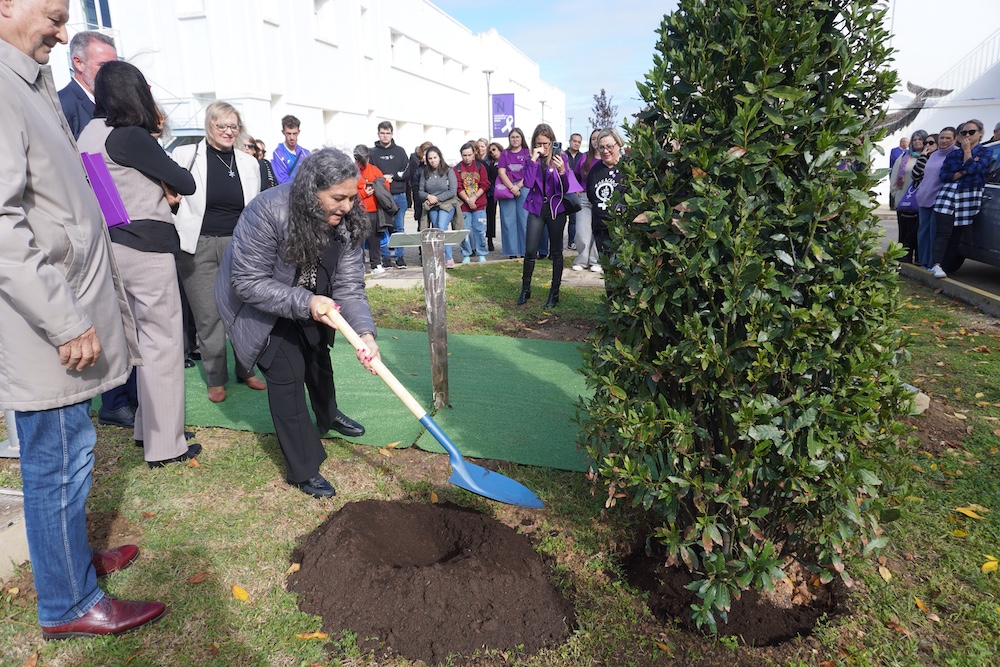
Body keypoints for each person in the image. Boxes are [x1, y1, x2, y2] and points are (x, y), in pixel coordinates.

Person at [0, 0, 165, 638]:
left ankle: (67, 563)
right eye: (52, 13)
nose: (63, 30)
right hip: (45, 320)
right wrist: (67, 321)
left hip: (61, 306)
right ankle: (68, 602)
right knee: (57, 458)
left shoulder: (29, 78)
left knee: (73, 449)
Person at [215, 148, 380, 498]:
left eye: (352, 197)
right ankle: (303, 467)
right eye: (338, 198)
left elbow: (350, 287)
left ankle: (328, 413)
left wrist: (365, 333)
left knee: (318, 355)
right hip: (260, 306)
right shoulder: (267, 210)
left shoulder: (348, 220)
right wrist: (306, 302)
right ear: (311, 190)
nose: (347, 206)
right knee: (287, 375)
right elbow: (246, 282)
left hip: (313, 298)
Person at [77, 61, 200, 467]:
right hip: (147, 249)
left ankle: (148, 429)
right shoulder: (130, 136)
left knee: (143, 345)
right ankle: (167, 445)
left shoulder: (88, 134)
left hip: (111, 248)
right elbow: (185, 182)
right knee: (163, 345)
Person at [170, 102, 267, 404]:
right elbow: (170, 196)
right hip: (197, 246)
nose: (228, 131)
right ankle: (215, 377)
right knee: (208, 315)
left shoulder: (248, 162)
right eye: (221, 126)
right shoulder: (185, 156)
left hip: (239, 245)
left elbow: (257, 206)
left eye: (233, 126)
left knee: (243, 311)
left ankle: (245, 368)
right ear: (208, 126)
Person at [517, 123, 583, 307]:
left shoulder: (560, 158)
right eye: (539, 143)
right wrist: (533, 159)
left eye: (546, 144)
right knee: (530, 251)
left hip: (556, 209)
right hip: (536, 208)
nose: (543, 148)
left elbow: (566, 188)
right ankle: (525, 289)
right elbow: (529, 183)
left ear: (552, 142)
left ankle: (554, 292)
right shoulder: (532, 159)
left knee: (556, 252)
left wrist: (562, 171)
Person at [930, 120, 991, 278]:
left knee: (957, 234)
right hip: (948, 194)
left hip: (969, 196)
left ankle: (946, 267)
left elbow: (976, 169)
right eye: (964, 133)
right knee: (943, 231)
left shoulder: (985, 152)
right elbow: (944, 175)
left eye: (972, 132)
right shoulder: (953, 154)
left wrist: (967, 153)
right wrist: (964, 171)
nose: (967, 136)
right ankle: (936, 265)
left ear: (981, 133)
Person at [58, 30, 117, 139]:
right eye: (103, 65)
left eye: (115, 66)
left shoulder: (115, 103)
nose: (112, 72)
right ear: (78, 63)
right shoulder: (61, 107)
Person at [915, 127, 957, 269]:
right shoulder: (933, 154)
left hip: (940, 199)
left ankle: (932, 263)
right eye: (942, 138)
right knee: (922, 233)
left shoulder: (956, 153)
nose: (944, 141)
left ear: (954, 139)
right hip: (924, 197)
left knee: (934, 233)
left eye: (948, 138)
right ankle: (922, 261)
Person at [371, 121, 410, 268]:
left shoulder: (400, 151)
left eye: (387, 133)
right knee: (383, 228)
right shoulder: (373, 153)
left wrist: (394, 176)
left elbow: (407, 172)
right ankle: (386, 258)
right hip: (381, 196)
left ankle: (400, 257)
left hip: (399, 194)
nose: (385, 136)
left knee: (399, 228)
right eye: (382, 133)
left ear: (392, 134)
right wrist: (382, 178)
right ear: (378, 134)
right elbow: (370, 172)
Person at [587, 129, 627, 266]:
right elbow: (591, 196)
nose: (605, 151)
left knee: (622, 269)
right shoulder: (595, 171)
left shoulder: (628, 167)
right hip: (601, 229)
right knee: (608, 271)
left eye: (609, 146)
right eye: (601, 147)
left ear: (619, 144)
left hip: (623, 230)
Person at [888, 130, 927, 263]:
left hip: (921, 201)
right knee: (904, 232)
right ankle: (904, 258)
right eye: (915, 139)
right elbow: (894, 177)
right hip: (904, 201)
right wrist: (895, 195)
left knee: (916, 232)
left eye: (920, 139)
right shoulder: (905, 157)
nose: (917, 142)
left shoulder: (930, 156)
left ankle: (917, 258)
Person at [418, 145, 460, 268]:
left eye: (435, 157)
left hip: (447, 204)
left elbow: (452, 191)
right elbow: (420, 191)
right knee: (436, 229)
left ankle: (449, 258)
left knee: (442, 226)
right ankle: (439, 257)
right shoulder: (425, 172)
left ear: (440, 157)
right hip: (432, 205)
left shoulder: (449, 171)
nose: (432, 160)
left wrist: (436, 198)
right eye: (430, 158)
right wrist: (428, 196)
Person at [572, 129, 603, 272]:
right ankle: (582, 260)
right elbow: (575, 175)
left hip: (601, 198)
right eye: (593, 139)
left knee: (599, 231)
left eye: (598, 138)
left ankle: (596, 261)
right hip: (584, 198)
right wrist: (576, 188)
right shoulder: (584, 158)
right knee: (582, 231)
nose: (595, 141)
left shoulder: (606, 159)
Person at [497, 128, 530, 258]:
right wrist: (512, 187)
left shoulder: (528, 153)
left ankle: (524, 250)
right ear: (509, 139)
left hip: (524, 187)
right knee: (508, 220)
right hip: (507, 187)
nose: (515, 139)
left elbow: (530, 172)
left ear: (522, 138)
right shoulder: (505, 154)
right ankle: (511, 251)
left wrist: (519, 186)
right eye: (512, 137)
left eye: (517, 137)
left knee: (524, 219)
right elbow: (501, 172)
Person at [455, 142, 491, 263]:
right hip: (464, 206)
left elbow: (485, 184)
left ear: (474, 154)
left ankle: (481, 252)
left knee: (480, 229)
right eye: (464, 155)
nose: (467, 158)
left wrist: (474, 198)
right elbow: (458, 187)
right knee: (465, 230)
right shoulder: (457, 169)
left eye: (469, 155)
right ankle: (466, 254)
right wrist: (467, 200)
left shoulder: (480, 167)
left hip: (479, 204)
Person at [354, 144, 386, 275]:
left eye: (365, 160)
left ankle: (376, 263)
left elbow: (385, 187)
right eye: (359, 160)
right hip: (359, 211)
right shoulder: (352, 171)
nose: (362, 163)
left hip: (373, 210)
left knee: (375, 239)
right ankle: (359, 265)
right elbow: (349, 191)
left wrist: (377, 188)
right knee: (359, 240)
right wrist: (363, 194)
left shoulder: (374, 170)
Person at [272, 114, 310, 184]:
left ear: (299, 132)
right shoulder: (278, 154)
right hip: (289, 193)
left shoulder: (306, 153)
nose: (292, 137)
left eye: (294, 133)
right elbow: (283, 181)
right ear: (283, 132)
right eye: (288, 133)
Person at [563, 133, 585, 249]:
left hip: (577, 192)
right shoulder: (563, 155)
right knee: (561, 218)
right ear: (570, 141)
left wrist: (579, 188)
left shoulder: (583, 157)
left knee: (574, 218)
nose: (576, 143)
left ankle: (572, 242)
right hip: (563, 190)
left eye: (579, 142)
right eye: (574, 141)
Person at [484, 141, 503, 252]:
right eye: (490, 151)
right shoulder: (489, 164)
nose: (492, 153)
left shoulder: (505, 161)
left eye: (494, 150)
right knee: (490, 216)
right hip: (492, 193)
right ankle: (489, 240)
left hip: (505, 191)